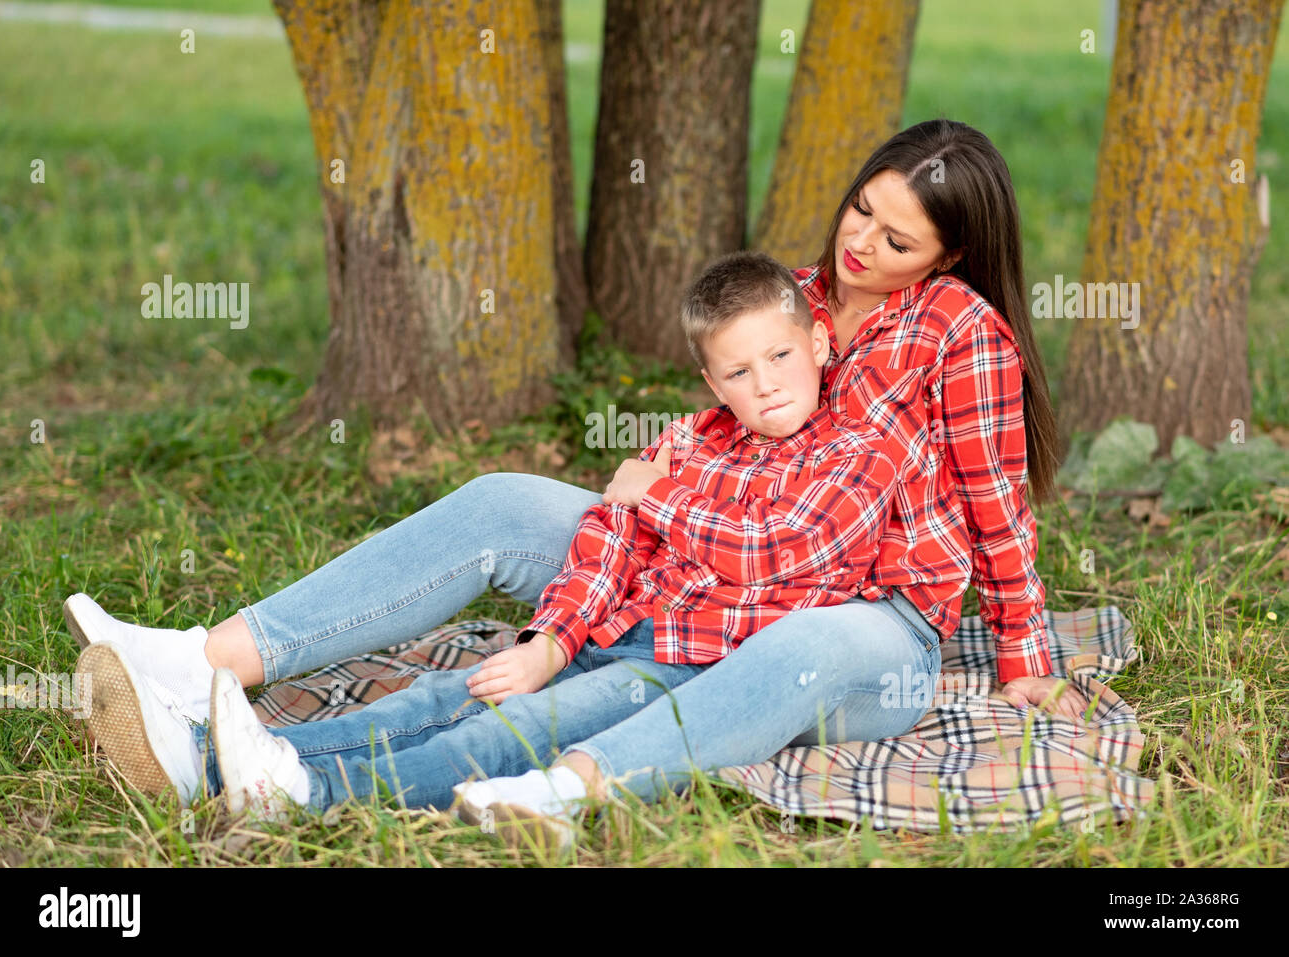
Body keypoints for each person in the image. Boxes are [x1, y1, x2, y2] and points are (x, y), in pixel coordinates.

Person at [64, 118, 1087, 827]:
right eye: (860, 210)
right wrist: (642, 509)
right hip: (716, 567)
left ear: (946, 259)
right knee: (511, 502)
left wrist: (1023, 658)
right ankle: (200, 664)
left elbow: (998, 513)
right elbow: (705, 439)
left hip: (867, 621)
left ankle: (552, 786)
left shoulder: (960, 333)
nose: (860, 242)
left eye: (895, 237)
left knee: (793, 640)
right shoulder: (801, 299)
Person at [73, 252, 926, 817]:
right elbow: (608, 536)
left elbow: (785, 549)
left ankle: (304, 786)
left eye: (780, 358)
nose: (765, 384)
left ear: (819, 342)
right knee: (453, 696)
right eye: (738, 371)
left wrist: (663, 499)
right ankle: (203, 750)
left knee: (496, 735)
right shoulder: (697, 436)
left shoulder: (861, 448)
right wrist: (553, 637)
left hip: (686, 666)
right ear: (711, 378)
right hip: (616, 626)